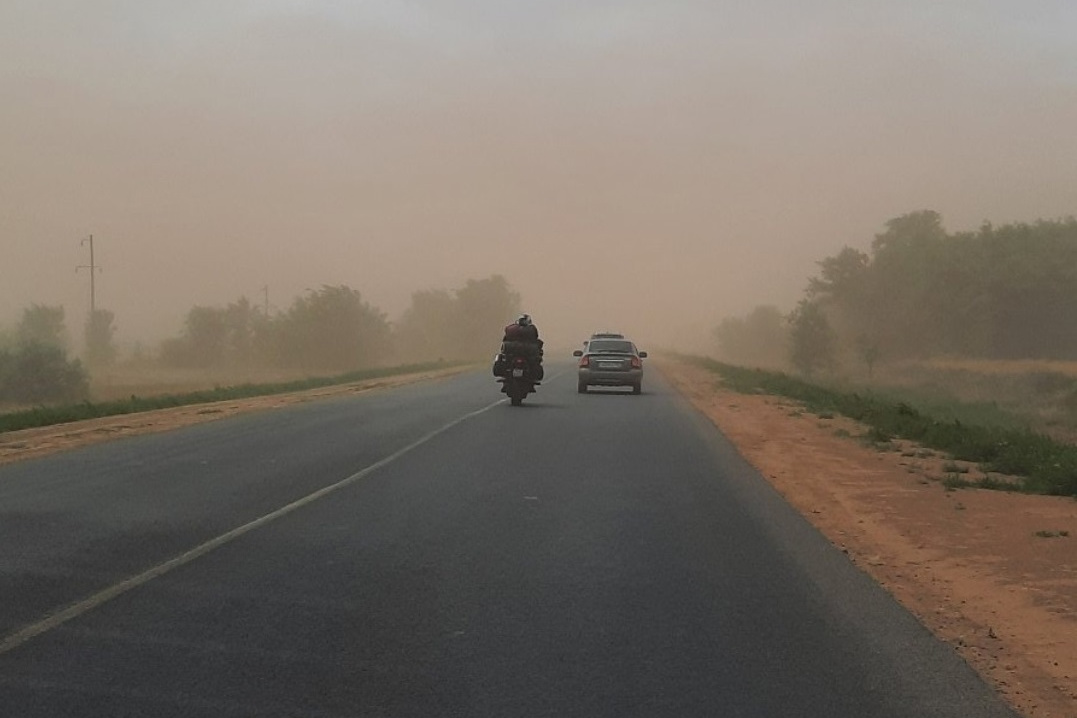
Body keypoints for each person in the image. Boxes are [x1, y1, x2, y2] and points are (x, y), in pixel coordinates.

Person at [498, 314, 544, 380]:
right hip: (525, 354)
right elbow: (535, 338)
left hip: (513, 353)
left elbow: (505, 339)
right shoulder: (531, 329)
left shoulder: (511, 328)